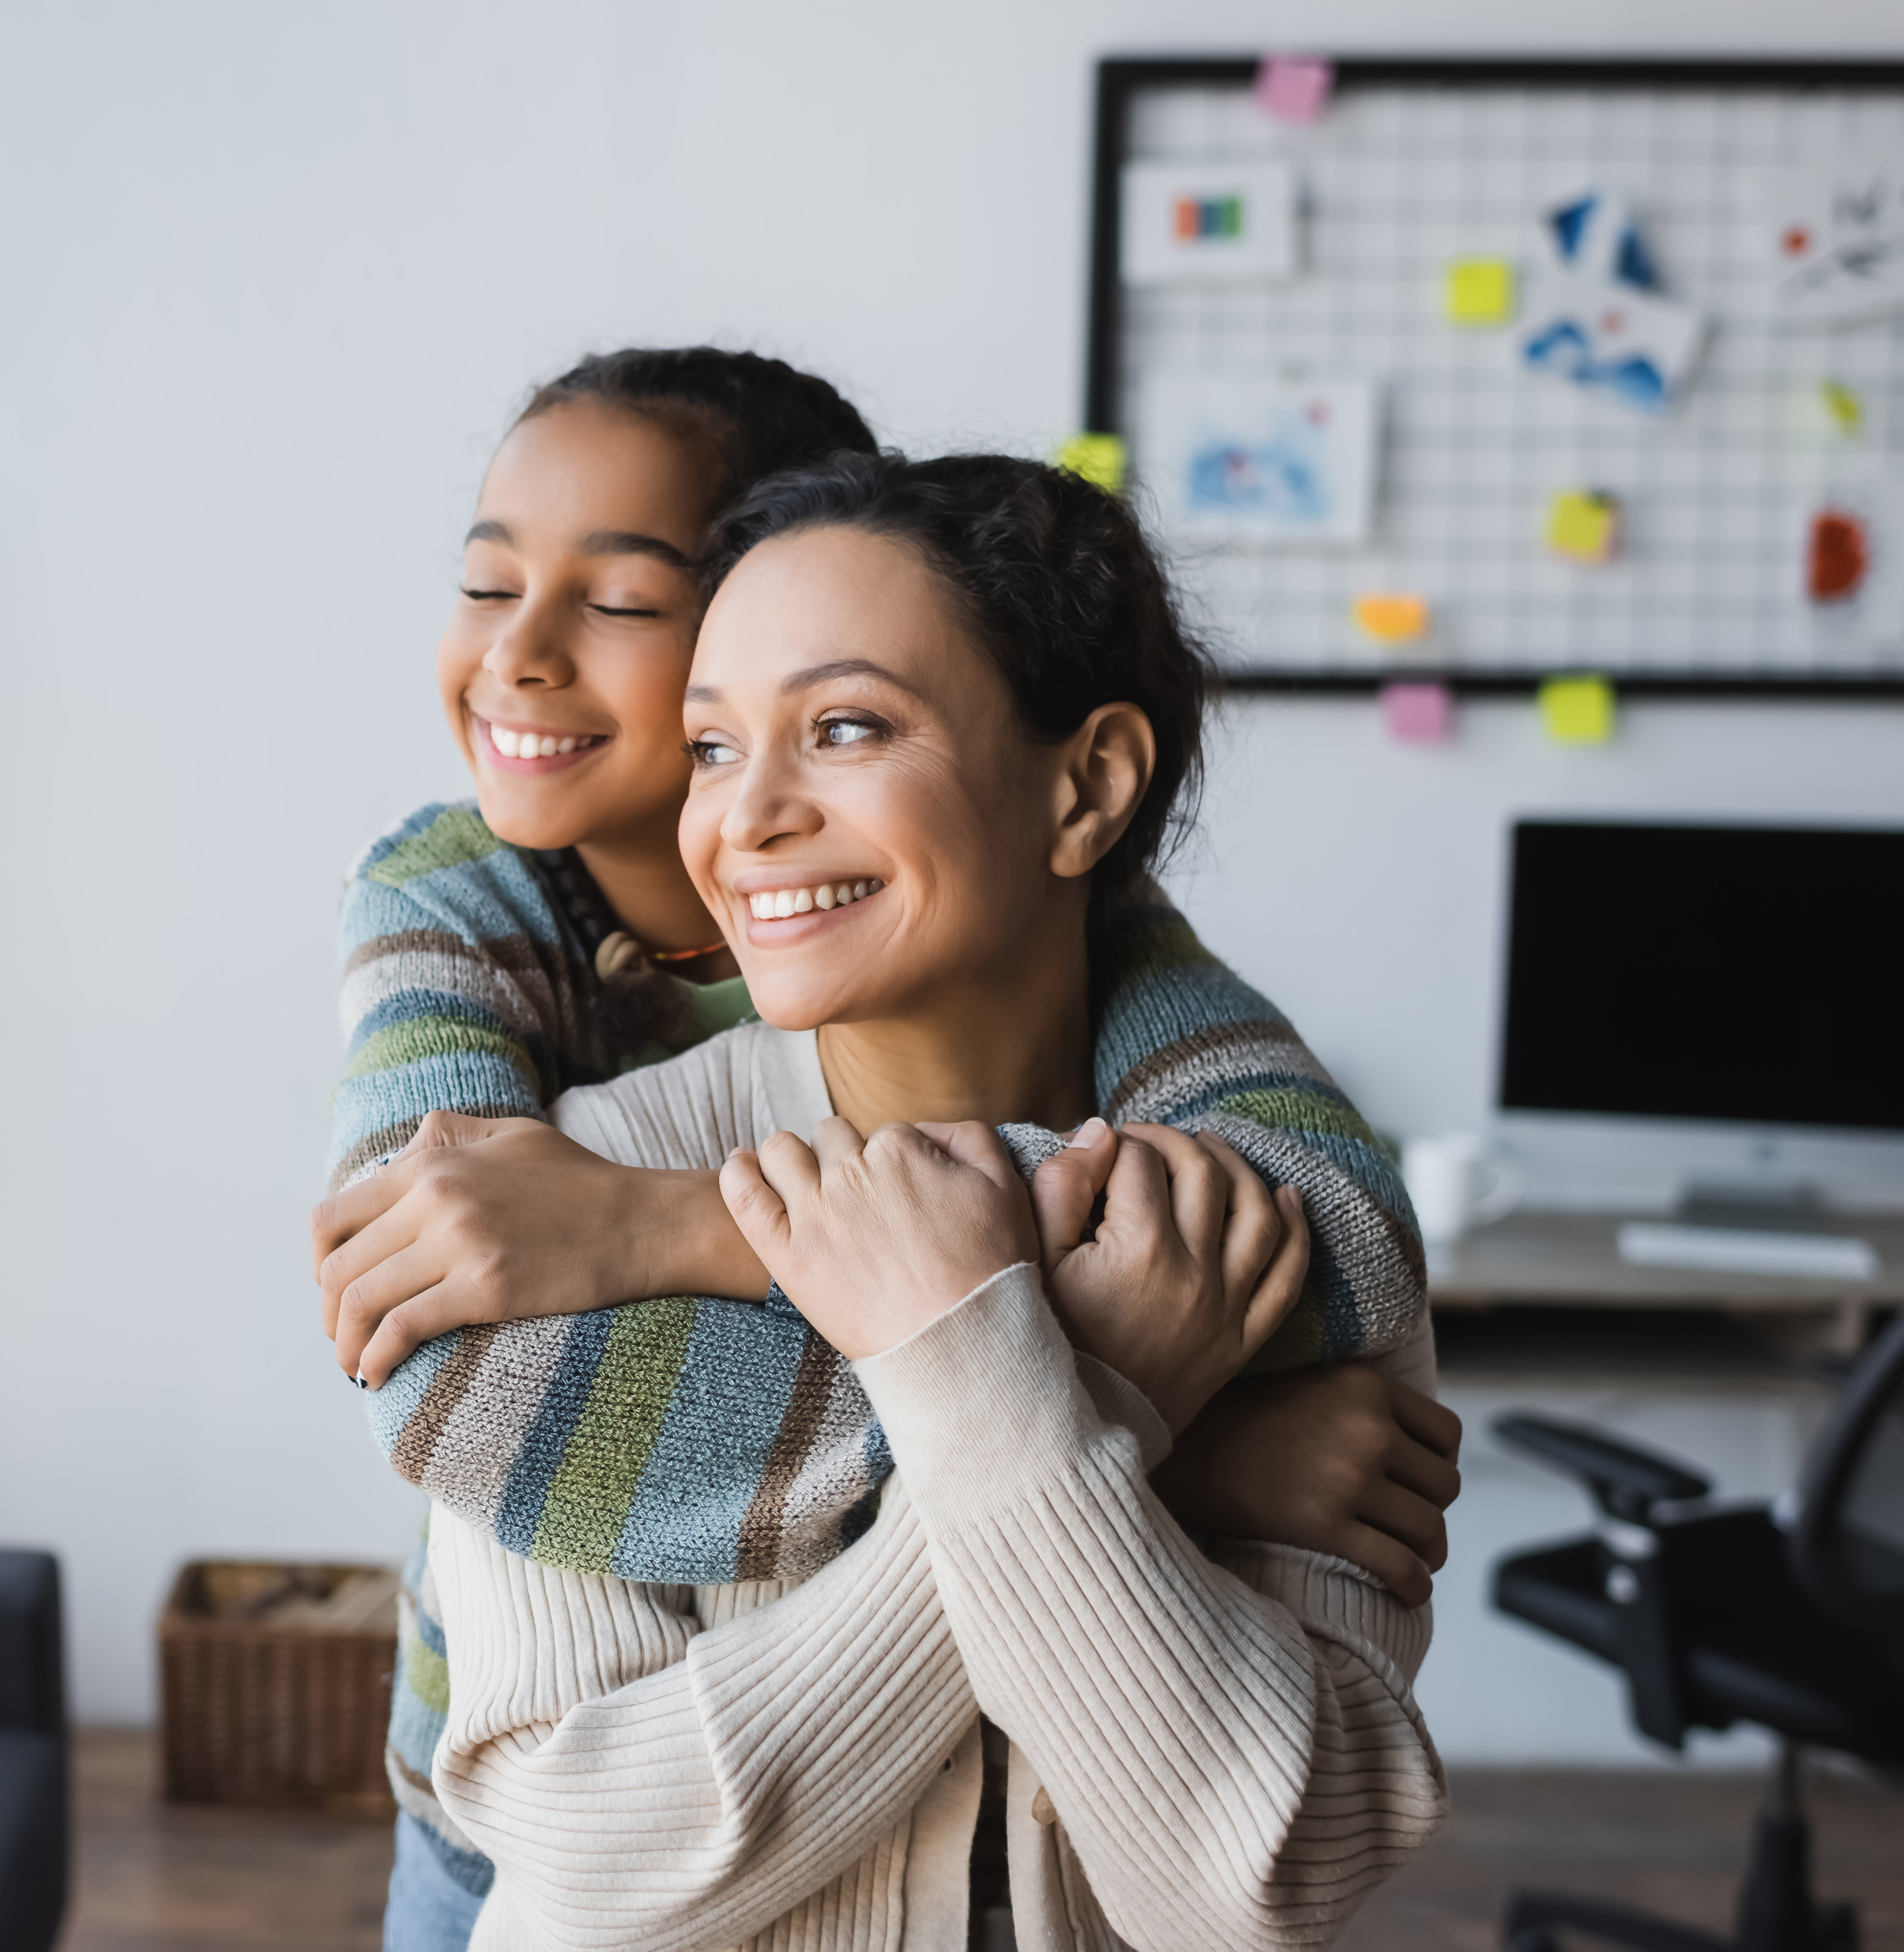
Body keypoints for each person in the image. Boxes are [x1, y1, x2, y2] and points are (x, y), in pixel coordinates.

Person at [315, 354, 1455, 1948]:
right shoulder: (531, 1175)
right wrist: (1122, 1421)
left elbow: (1257, 1884)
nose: (752, 815)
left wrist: (992, 1356)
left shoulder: (1254, 1215)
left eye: (845, 725)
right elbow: (589, 1873)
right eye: (714, 746)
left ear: (1090, 787)